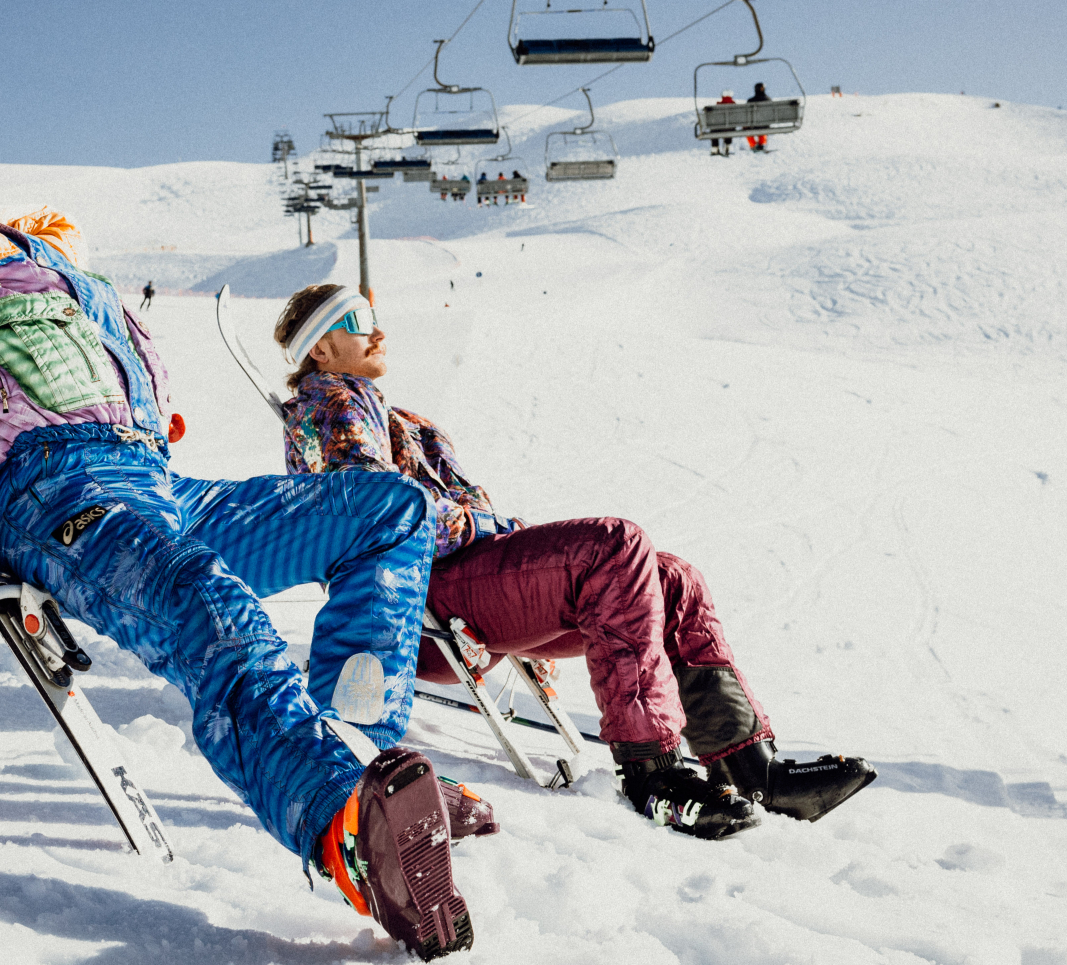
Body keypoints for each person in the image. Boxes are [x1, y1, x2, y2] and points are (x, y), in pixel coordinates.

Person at [0, 134, 477, 957]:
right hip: (57, 495)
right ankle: (343, 827)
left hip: (159, 484)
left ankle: (368, 755)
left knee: (388, 506)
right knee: (206, 604)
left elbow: (62, 226)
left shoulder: (40, 260)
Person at [272, 283, 877, 839]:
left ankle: (751, 769)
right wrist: (486, 525)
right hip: (424, 599)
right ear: (322, 349)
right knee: (613, 546)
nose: (377, 330)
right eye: (357, 321)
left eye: (374, 315)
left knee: (672, 580)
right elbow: (383, 515)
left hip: (470, 578)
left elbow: (458, 506)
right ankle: (653, 774)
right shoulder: (327, 406)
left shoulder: (392, 415)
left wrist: (488, 527)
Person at [709, 92, 737, 156]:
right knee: (729, 127)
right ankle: (727, 147)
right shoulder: (735, 105)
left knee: (713, 130)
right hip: (731, 128)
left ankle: (715, 148)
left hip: (719, 128)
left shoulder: (718, 105)